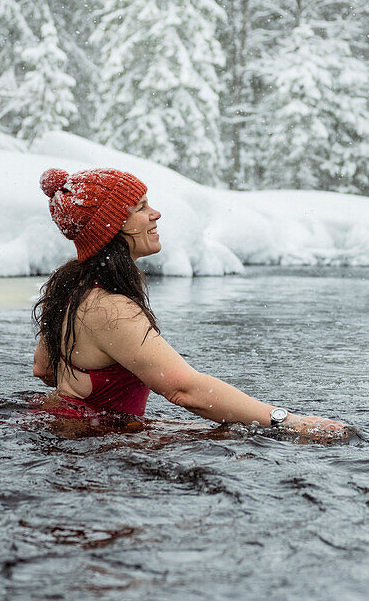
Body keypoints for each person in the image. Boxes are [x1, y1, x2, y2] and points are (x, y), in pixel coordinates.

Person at [31, 167, 345, 438]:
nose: (155, 214)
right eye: (140, 208)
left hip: (75, 431)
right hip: (92, 446)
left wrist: (96, 408)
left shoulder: (70, 285)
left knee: (219, 434)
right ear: (111, 229)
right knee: (235, 443)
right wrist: (288, 422)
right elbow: (185, 391)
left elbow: (43, 369)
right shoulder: (110, 309)